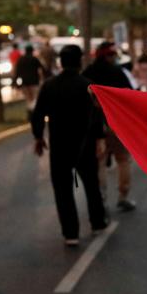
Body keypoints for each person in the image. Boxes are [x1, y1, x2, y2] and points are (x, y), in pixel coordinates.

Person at [31, 45, 108, 246]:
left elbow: (38, 114)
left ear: (60, 62)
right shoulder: (89, 86)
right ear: (80, 61)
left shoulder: (49, 85)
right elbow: (97, 115)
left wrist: (39, 137)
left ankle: (70, 233)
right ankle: (97, 222)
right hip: (84, 145)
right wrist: (99, 139)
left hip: (59, 146)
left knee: (63, 190)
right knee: (91, 185)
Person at [82, 42, 136, 212]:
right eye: (113, 55)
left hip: (94, 126)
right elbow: (129, 95)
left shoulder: (88, 73)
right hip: (116, 123)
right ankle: (123, 196)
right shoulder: (117, 72)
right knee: (123, 159)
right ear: (107, 55)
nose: (115, 58)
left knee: (99, 162)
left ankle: (101, 199)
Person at [14, 45, 45, 120]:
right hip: (34, 82)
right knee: (34, 98)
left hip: (24, 82)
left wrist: (15, 83)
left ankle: (30, 113)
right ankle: (34, 113)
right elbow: (41, 69)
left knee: (28, 98)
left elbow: (17, 72)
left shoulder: (21, 59)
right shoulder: (34, 59)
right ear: (32, 51)